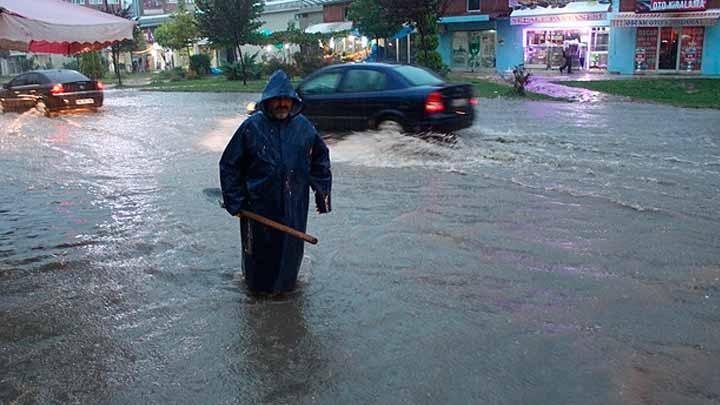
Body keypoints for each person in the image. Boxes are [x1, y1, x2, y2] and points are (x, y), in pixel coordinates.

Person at [220, 70, 332, 294]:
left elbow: (321, 158)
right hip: (258, 208)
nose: (282, 104)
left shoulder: (304, 127)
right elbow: (229, 165)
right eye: (277, 100)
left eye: (286, 99)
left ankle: (285, 293)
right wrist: (235, 202)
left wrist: (322, 192)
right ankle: (257, 293)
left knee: (289, 257)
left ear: (293, 101)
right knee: (258, 259)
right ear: (268, 101)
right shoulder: (251, 127)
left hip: (294, 207)